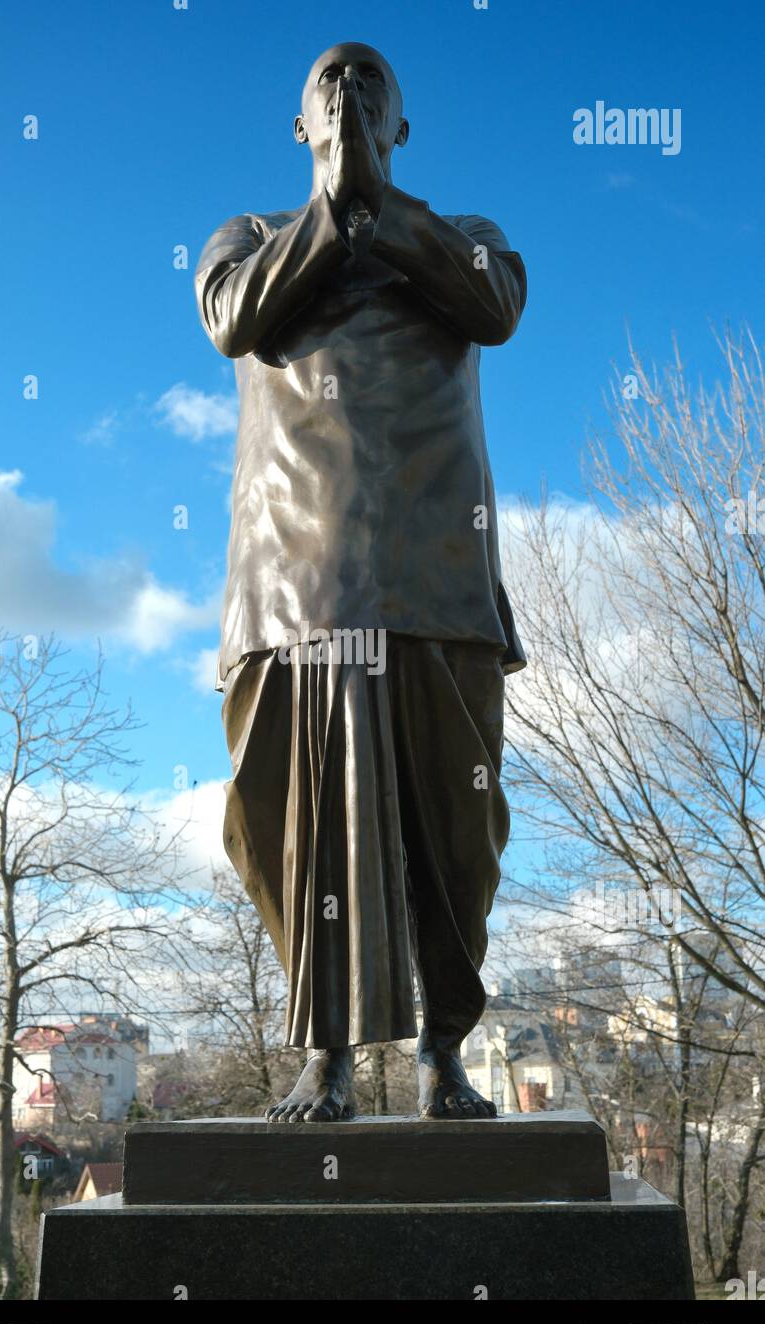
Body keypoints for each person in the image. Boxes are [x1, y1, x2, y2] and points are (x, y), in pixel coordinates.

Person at [195, 41, 527, 1122]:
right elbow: (234, 317)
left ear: (400, 128)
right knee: (285, 827)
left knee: (453, 829)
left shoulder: (460, 239)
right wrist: (335, 215)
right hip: (294, 585)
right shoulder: (249, 239)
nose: (348, 95)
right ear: (301, 130)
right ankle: (325, 1054)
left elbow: (496, 304)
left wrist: (382, 211)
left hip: (433, 580)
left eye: (370, 86)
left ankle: (441, 1049)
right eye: (327, 88)